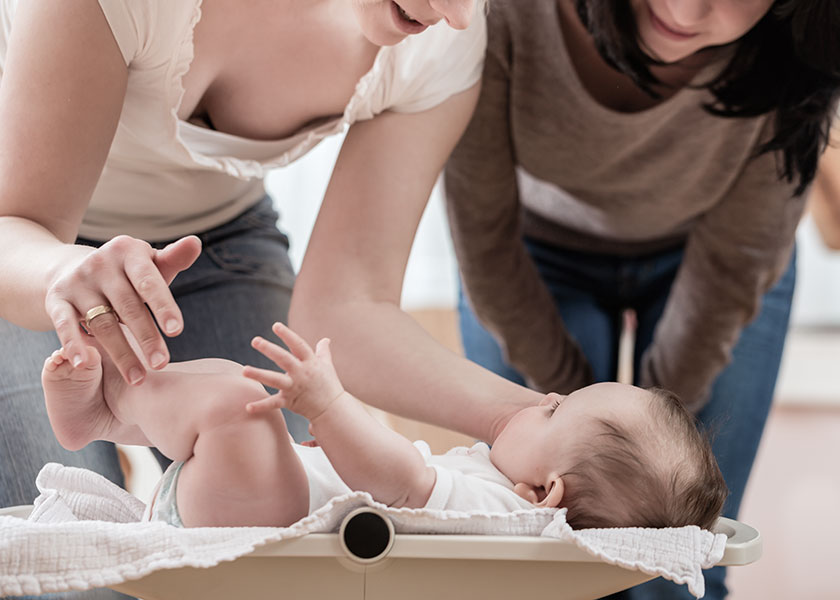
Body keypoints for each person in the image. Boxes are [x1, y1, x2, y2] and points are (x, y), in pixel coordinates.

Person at [0, 0, 487, 560]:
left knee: (295, 542)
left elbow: (351, 309)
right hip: (22, 252)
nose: (459, 16)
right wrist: (61, 272)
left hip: (215, 239)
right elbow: (18, 224)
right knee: (60, 559)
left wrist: (533, 417)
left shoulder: (443, 40)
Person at [438, 1, 840, 599]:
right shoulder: (505, 13)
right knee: (526, 549)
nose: (685, 9)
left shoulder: (797, 49)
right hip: (530, 255)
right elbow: (485, 234)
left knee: (677, 563)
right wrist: (569, 413)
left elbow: (732, 266)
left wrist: (651, 427)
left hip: (714, 261)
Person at [41, 322, 727, 531]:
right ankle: (112, 413)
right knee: (236, 393)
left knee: (231, 402)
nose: (543, 395)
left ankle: (107, 413)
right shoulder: (497, 487)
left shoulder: (499, 517)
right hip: (258, 506)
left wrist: (329, 406)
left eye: (555, 410)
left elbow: (400, 479)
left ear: (546, 492)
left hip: (258, 523)